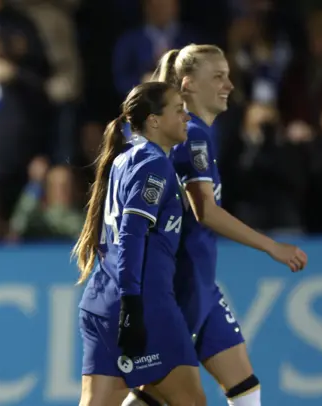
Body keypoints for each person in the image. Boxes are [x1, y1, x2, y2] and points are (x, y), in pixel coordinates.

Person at [124, 44, 308, 406]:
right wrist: (272, 246)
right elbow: (204, 210)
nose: (230, 85)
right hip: (182, 283)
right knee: (158, 396)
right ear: (189, 83)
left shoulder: (198, 134)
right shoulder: (190, 135)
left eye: (228, 75)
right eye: (218, 76)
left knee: (245, 386)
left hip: (202, 282)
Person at [74, 81, 206, 406]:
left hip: (99, 300)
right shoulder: (154, 164)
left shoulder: (124, 160)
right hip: (143, 302)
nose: (187, 117)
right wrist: (132, 306)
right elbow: (133, 233)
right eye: (178, 110)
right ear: (154, 121)